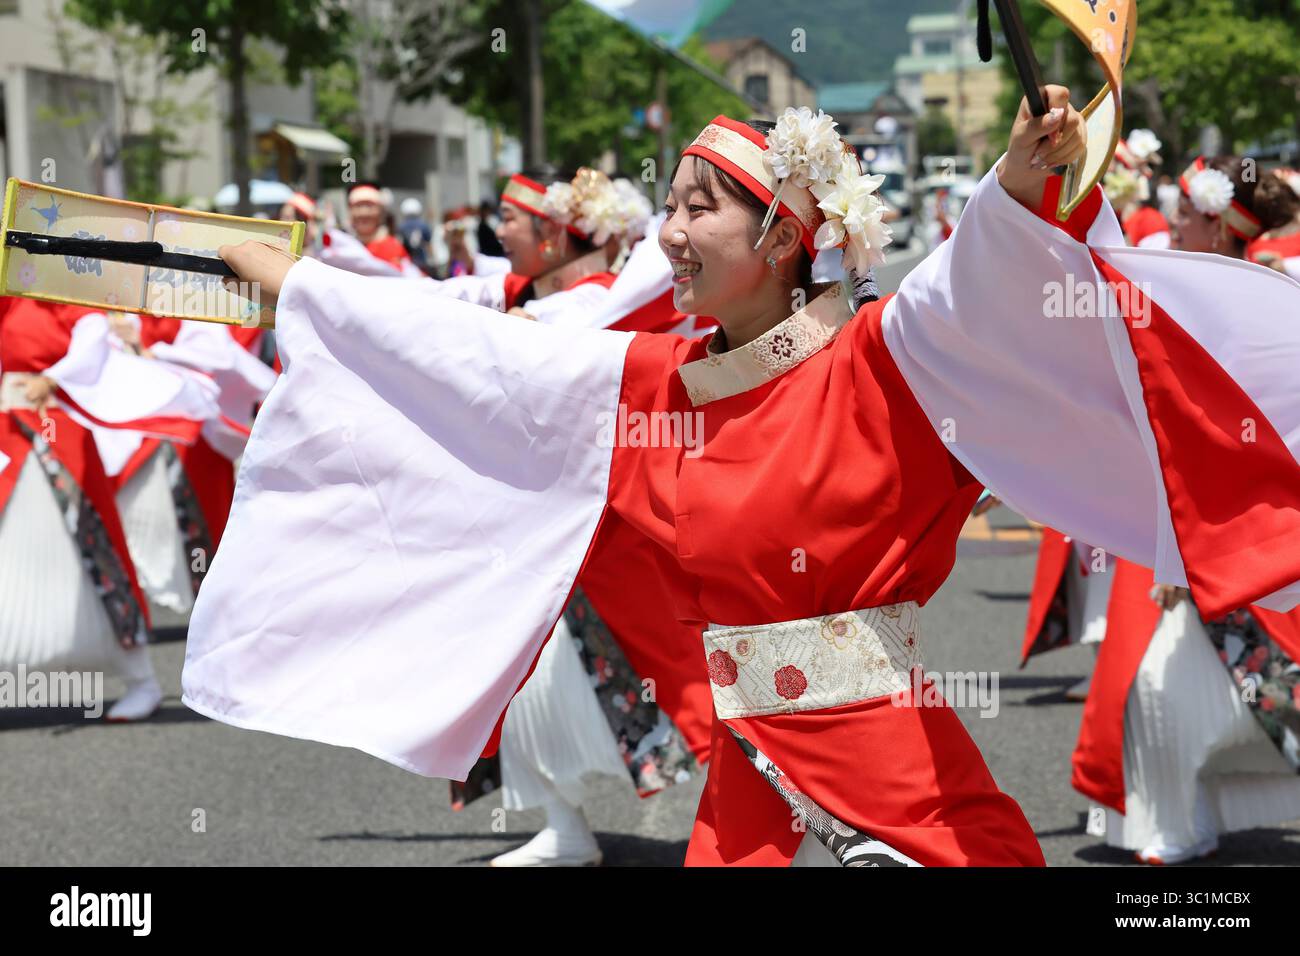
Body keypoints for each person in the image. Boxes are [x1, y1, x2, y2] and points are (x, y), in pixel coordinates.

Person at [189, 90, 1300, 866]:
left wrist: (1020, 181)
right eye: (664, 205)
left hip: (899, 798)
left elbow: (986, 280)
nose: (666, 234)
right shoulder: (652, 381)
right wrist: (302, 288)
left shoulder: (888, 360)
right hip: (744, 796)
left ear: (781, 232)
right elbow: (477, 359)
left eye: (695, 208)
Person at [1072, 155, 1300, 865]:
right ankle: (1176, 823)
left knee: (1168, 688)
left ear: (1216, 222)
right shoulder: (1188, 292)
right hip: (1194, 518)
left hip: (1247, 521)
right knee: (1161, 689)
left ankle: (1177, 824)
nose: (1170, 226)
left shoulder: (1268, 297)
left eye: (1183, 216)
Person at [0, 297, 217, 721]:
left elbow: (91, 338)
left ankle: (141, 680)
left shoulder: (57, 290)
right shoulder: (8, 298)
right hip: (8, 432)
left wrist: (51, 377)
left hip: (55, 428)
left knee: (93, 551)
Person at [346, 181, 410, 271]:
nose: (364, 213)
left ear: (381, 212)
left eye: (370, 206)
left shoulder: (393, 247)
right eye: (358, 206)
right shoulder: (343, 248)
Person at [398, 197, 434, 273]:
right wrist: (432, 259)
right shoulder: (423, 225)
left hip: (407, 262)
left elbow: (399, 244)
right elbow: (428, 244)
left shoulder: (401, 226)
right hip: (422, 262)